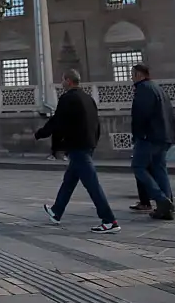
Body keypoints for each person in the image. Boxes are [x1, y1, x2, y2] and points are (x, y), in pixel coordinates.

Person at [38, 70, 118, 232]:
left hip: (77, 146)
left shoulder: (68, 99)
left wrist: (42, 133)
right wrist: (93, 142)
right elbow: (96, 123)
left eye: (63, 80)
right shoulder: (88, 98)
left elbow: (57, 121)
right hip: (87, 145)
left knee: (92, 184)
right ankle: (56, 211)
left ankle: (109, 220)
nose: (62, 83)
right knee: (69, 181)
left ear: (68, 81)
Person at [130, 64, 175, 220]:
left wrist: (138, 134)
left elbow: (140, 114)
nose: (131, 77)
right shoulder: (158, 88)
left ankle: (161, 199)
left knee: (138, 166)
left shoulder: (143, 89)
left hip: (149, 137)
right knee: (159, 169)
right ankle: (167, 207)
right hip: (163, 136)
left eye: (132, 74)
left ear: (139, 74)